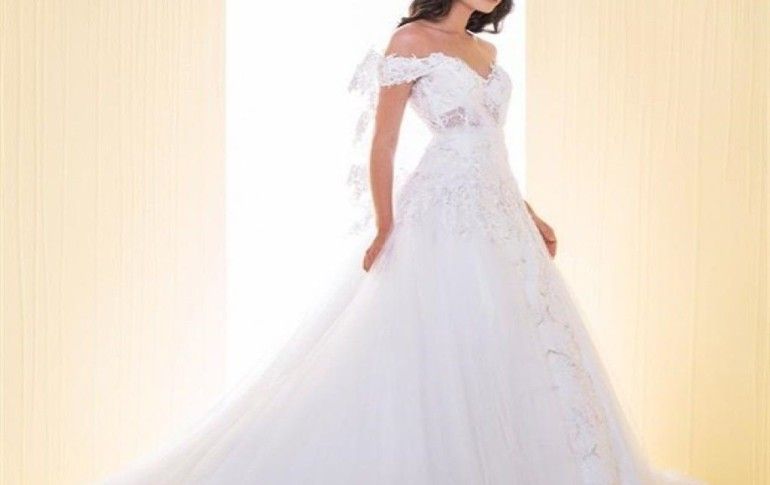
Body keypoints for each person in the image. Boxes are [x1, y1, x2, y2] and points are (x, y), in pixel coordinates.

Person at [100, 1, 704, 483]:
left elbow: (489, 145)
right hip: (442, 209)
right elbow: (384, 143)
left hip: (499, 211)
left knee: (514, 335)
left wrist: (529, 212)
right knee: (444, 335)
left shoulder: (486, 51)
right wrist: (386, 223)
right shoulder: (410, 41)